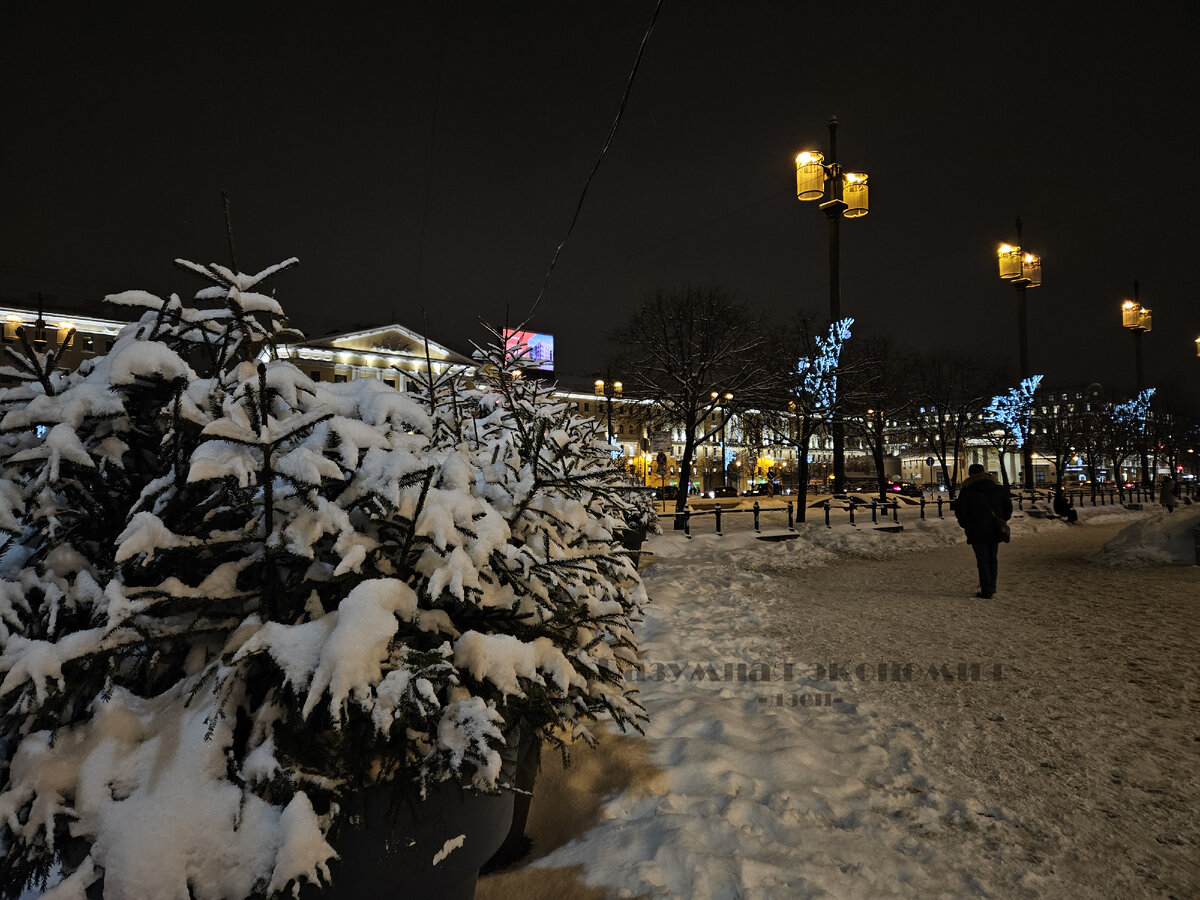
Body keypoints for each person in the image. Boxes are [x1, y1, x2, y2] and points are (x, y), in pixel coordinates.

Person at [954, 463, 1013, 599]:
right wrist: (1001, 520)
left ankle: (986, 589)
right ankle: (992, 586)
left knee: (982, 560)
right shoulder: (998, 489)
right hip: (994, 528)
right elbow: (1008, 509)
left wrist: (966, 524)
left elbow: (961, 511)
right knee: (993, 558)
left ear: (970, 475)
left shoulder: (967, 491)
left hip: (976, 529)